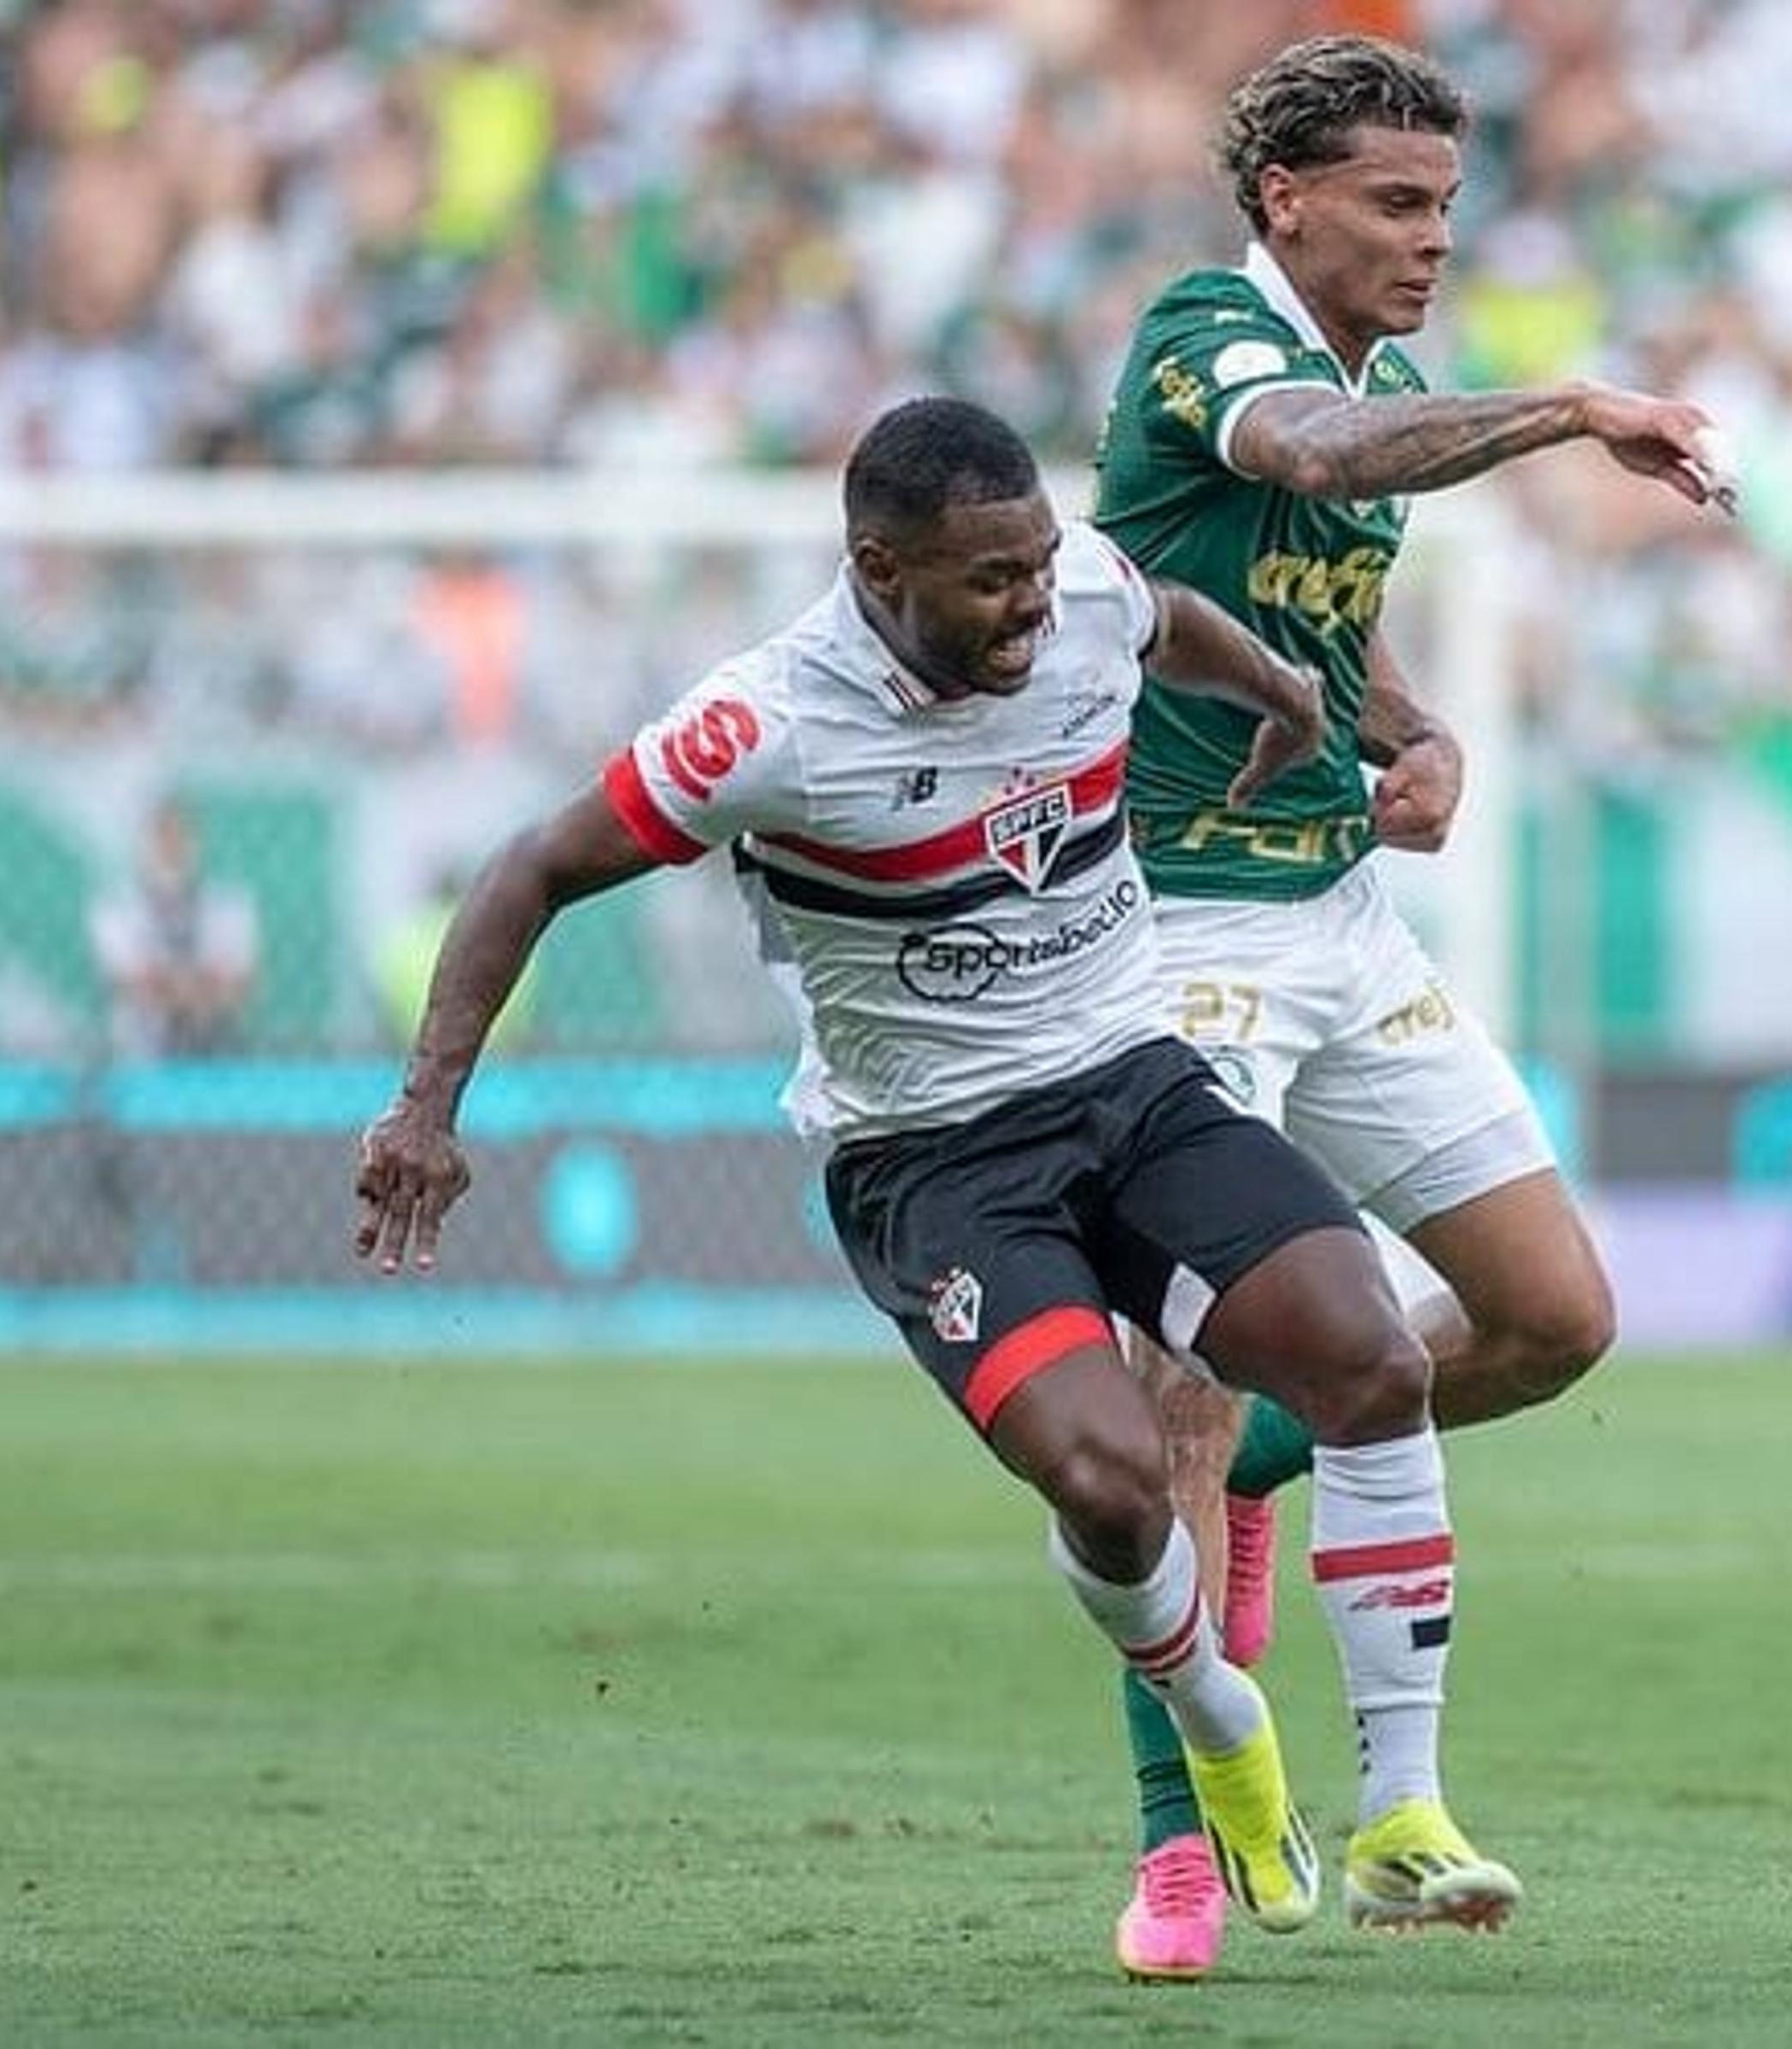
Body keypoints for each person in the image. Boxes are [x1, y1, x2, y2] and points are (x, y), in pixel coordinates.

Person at [352, 394, 1486, 1957]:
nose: (1033, 602)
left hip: (1136, 1083)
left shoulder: (1076, 590)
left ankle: (1407, 1818)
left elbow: (1164, 617)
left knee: (1369, 1353)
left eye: (1035, 563)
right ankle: (1220, 1722)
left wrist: (1290, 697)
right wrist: (426, 1109)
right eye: (989, 581)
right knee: (1107, 1479)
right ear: (879, 571)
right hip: (939, 1162)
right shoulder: (767, 726)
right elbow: (534, 867)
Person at [1084, 32, 1733, 1978]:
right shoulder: (1209, 335)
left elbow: (1314, 612)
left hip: (1338, 919)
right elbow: (1301, 461)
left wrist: (1420, 730)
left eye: (1445, 204)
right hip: (1165, 933)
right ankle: (1179, 1853)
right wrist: (1566, 411)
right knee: (1171, 1398)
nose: (1428, 239)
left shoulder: (1370, 379)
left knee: (1555, 1315)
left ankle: (1288, 1457)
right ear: (1285, 200)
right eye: (1393, 202)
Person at [91, 797, 259, 1061]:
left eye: (182, 835)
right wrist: (202, 987)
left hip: (217, 1045)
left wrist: (167, 986)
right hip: (141, 1051)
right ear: (142, 844)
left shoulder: (227, 903)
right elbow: (128, 984)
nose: (172, 846)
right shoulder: (117, 906)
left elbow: (240, 984)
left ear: (197, 842)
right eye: (162, 835)